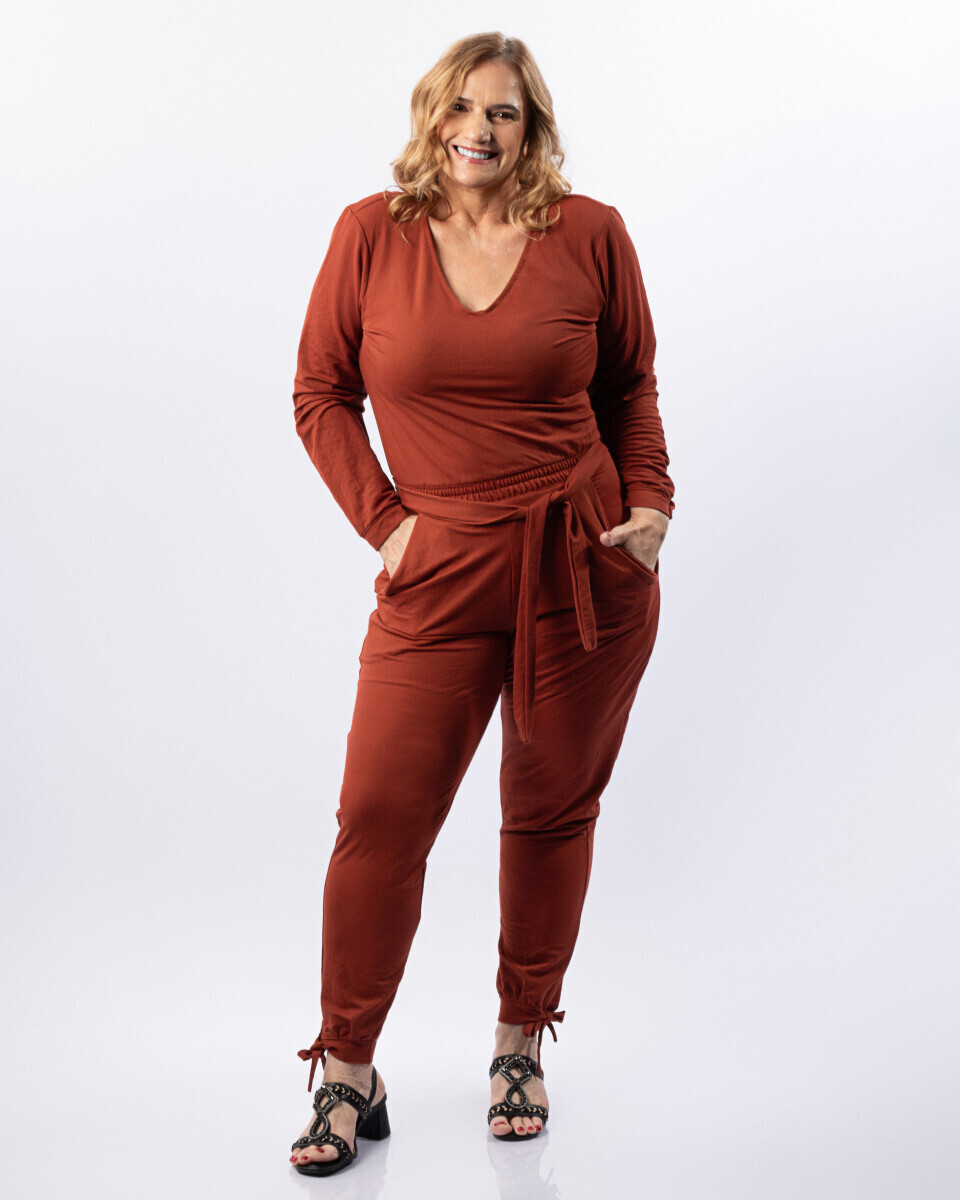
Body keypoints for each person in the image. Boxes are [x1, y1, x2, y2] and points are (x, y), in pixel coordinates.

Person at [287, 31, 674, 1177]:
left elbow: (630, 386)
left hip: (581, 563)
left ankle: (520, 1041)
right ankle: (347, 1066)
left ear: (532, 127)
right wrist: (389, 525)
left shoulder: (591, 234)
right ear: (431, 115)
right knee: (379, 817)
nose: (479, 129)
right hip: (439, 565)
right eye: (461, 106)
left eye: (503, 111)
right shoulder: (371, 233)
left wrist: (650, 505)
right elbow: (319, 392)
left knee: (549, 813)